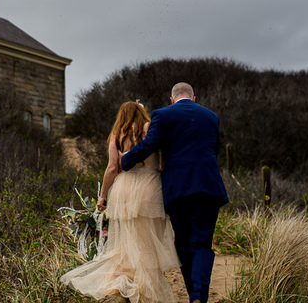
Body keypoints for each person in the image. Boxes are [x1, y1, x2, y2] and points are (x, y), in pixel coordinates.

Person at [61, 101, 180, 303]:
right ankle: (147, 291)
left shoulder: (117, 135)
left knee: (127, 241)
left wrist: (102, 196)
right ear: (142, 112)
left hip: (124, 188)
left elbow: (112, 168)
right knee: (149, 242)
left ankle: (125, 285)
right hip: (149, 186)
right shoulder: (151, 127)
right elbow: (165, 157)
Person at [121, 83, 228, 303]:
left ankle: (194, 295)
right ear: (194, 98)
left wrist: (126, 160)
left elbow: (150, 144)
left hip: (178, 189)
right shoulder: (211, 117)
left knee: (183, 244)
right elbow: (214, 149)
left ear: (172, 99)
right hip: (208, 187)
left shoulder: (162, 114)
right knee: (202, 244)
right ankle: (198, 297)